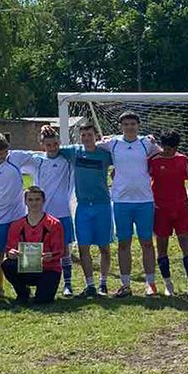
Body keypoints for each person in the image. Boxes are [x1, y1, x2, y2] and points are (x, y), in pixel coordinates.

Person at [96, 112, 161, 297]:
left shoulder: (147, 143)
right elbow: (92, 144)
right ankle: (125, 284)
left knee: (147, 243)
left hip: (144, 201)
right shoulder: (113, 143)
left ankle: (150, 283)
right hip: (121, 201)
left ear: (138, 125)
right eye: (126, 124)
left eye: (133, 124)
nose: (130, 127)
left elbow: (163, 153)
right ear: (121, 126)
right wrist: (103, 138)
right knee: (124, 244)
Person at [56, 122, 113, 297]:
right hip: (83, 207)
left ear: (96, 136)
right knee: (83, 248)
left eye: (90, 135)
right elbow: (50, 147)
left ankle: (103, 283)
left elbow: (125, 154)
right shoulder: (74, 151)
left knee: (104, 247)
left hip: (102, 205)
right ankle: (90, 285)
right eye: (83, 135)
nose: (87, 138)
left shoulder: (105, 154)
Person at [25, 125, 76, 296]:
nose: (53, 148)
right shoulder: (37, 160)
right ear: (42, 145)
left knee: (64, 249)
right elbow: (14, 156)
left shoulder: (67, 160)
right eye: (48, 145)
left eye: (55, 144)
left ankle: (68, 284)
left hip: (62, 212)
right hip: (41, 213)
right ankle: (32, 283)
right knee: (36, 247)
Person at [0, 133, 34, 298]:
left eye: (5, 151)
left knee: (23, 252)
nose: (3, 155)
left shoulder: (15, 158)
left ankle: (26, 287)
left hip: (18, 217)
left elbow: (40, 154)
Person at [148, 130, 188, 296]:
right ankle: (168, 284)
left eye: (173, 148)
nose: (170, 151)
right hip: (160, 209)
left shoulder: (182, 160)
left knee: (185, 241)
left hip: (181, 208)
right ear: (162, 146)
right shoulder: (153, 161)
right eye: (167, 148)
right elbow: (140, 176)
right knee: (162, 246)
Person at [1, 187, 65, 304]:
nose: (34, 203)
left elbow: (60, 251)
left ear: (43, 201)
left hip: (48, 268)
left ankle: (42, 292)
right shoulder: (16, 225)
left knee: (42, 302)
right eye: (30, 200)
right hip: (25, 267)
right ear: (25, 202)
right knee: (7, 265)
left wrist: (51, 256)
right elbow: (10, 249)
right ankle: (23, 293)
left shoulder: (54, 224)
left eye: (37, 199)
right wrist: (11, 254)